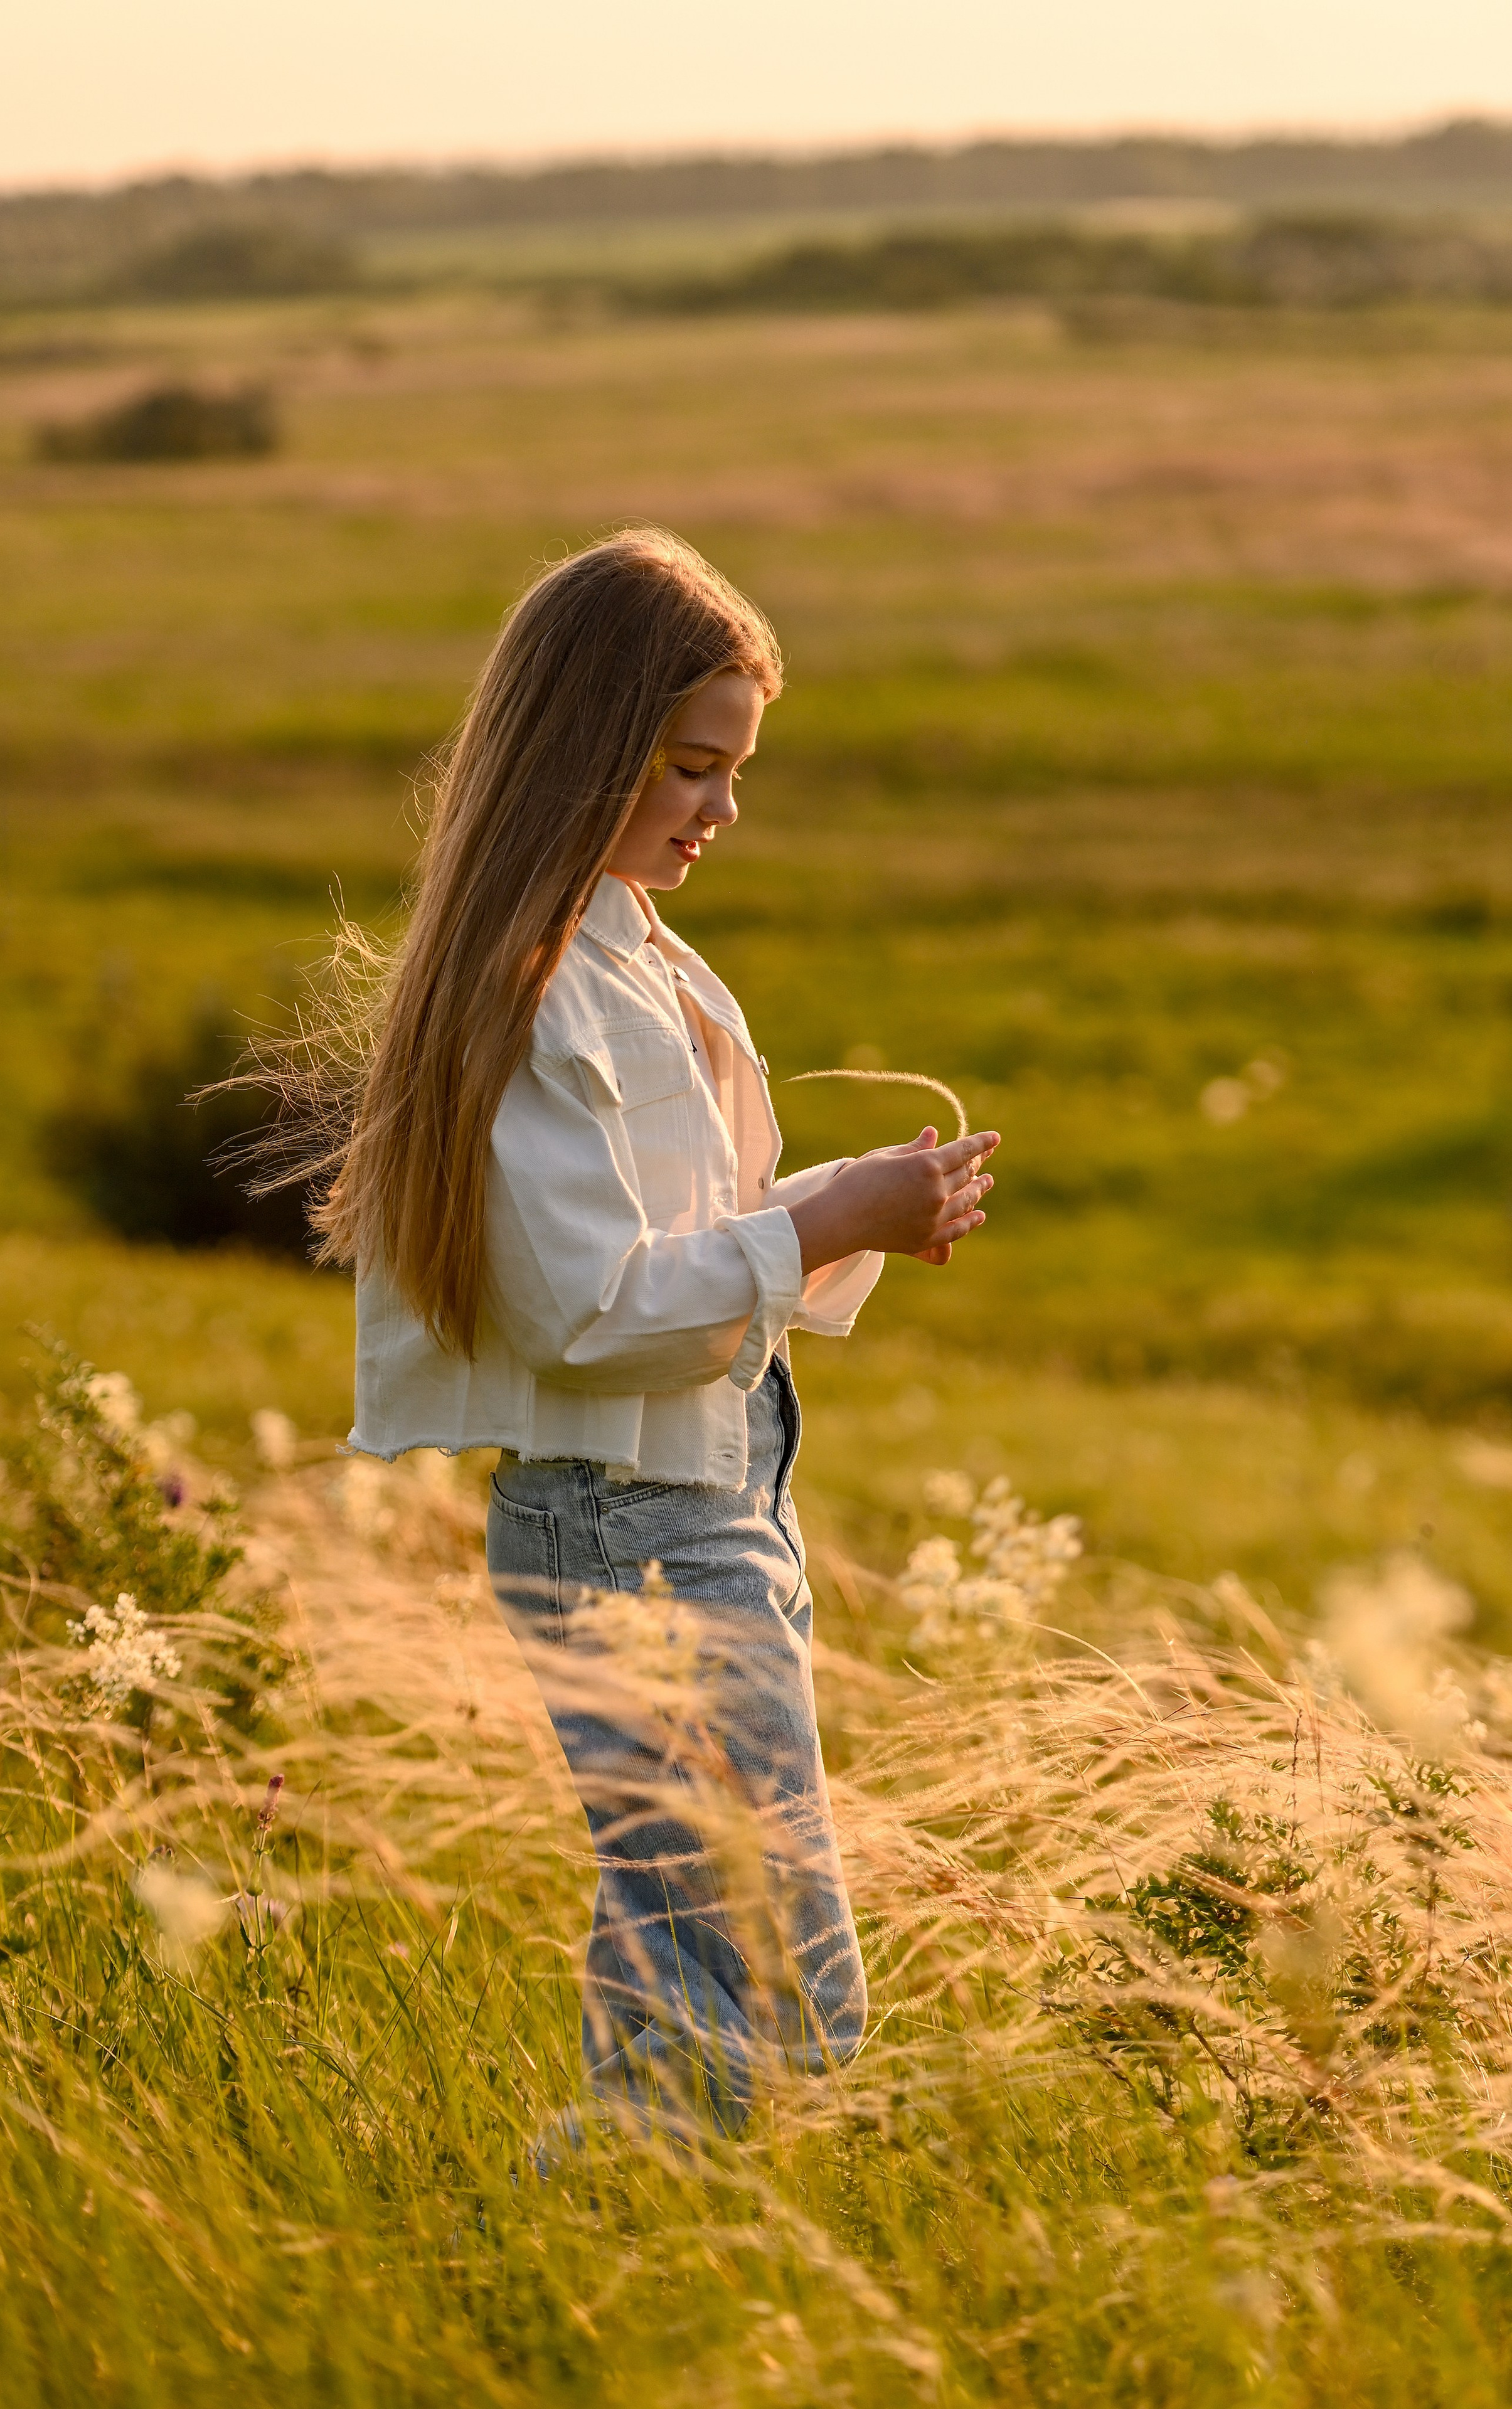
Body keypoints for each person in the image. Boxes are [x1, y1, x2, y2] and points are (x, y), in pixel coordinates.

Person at [325, 528, 998, 2135]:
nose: (722, 810)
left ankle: (600, 2250)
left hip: (705, 1496)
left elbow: (684, 1236)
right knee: (765, 1994)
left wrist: (850, 1205)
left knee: (688, 1971)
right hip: (632, 1524)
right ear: (587, 751)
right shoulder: (540, 987)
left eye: (733, 771)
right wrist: (819, 1227)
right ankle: (624, 2238)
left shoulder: (630, 953)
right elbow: (590, 1309)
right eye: (693, 768)